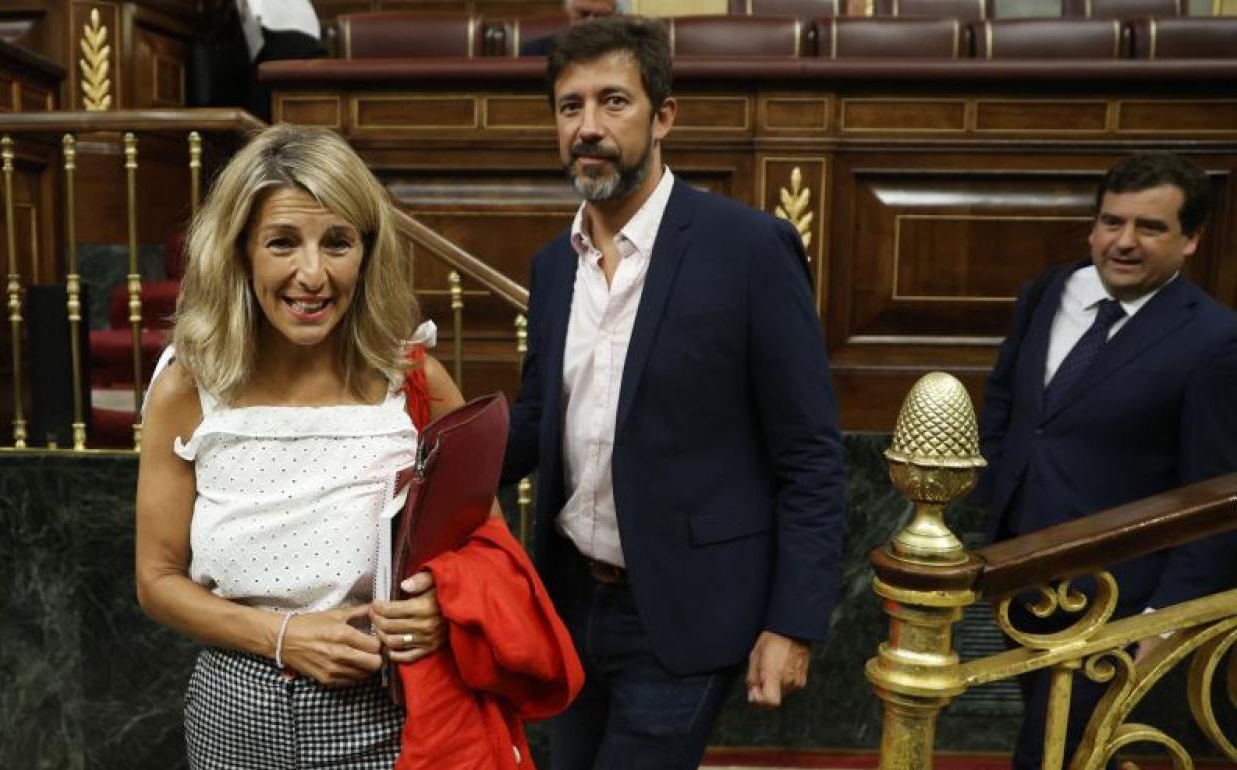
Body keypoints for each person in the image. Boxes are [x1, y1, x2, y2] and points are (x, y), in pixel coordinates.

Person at [501, 16, 846, 769]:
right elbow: (538, 418)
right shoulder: (555, 265)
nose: (588, 128)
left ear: (663, 117)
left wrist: (794, 622)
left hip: (684, 611)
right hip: (568, 602)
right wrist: (426, 453)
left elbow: (811, 457)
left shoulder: (749, 250)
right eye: (570, 106)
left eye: (613, 102)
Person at [135, 124, 464, 768]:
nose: (311, 275)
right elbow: (155, 579)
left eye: (337, 242)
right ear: (241, 252)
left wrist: (442, 608)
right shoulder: (189, 386)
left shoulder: (414, 381)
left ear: (366, 253)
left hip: (390, 713)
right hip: (235, 713)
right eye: (282, 242)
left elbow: (484, 545)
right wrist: (284, 635)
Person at [976, 151, 1237, 770]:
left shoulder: (1216, 340)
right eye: (1112, 222)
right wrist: (993, 484)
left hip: (1117, 599)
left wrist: (1163, 620)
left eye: (1150, 227)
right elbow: (1009, 397)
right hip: (1021, 573)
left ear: (1191, 239)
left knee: (1053, 753)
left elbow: (1218, 493)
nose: (1124, 242)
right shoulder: (1049, 290)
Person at [520, 0, 625, 57]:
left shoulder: (628, 50)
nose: (590, 21)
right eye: (583, 14)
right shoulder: (534, 51)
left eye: (601, 15)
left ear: (616, 17)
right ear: (569, 14)